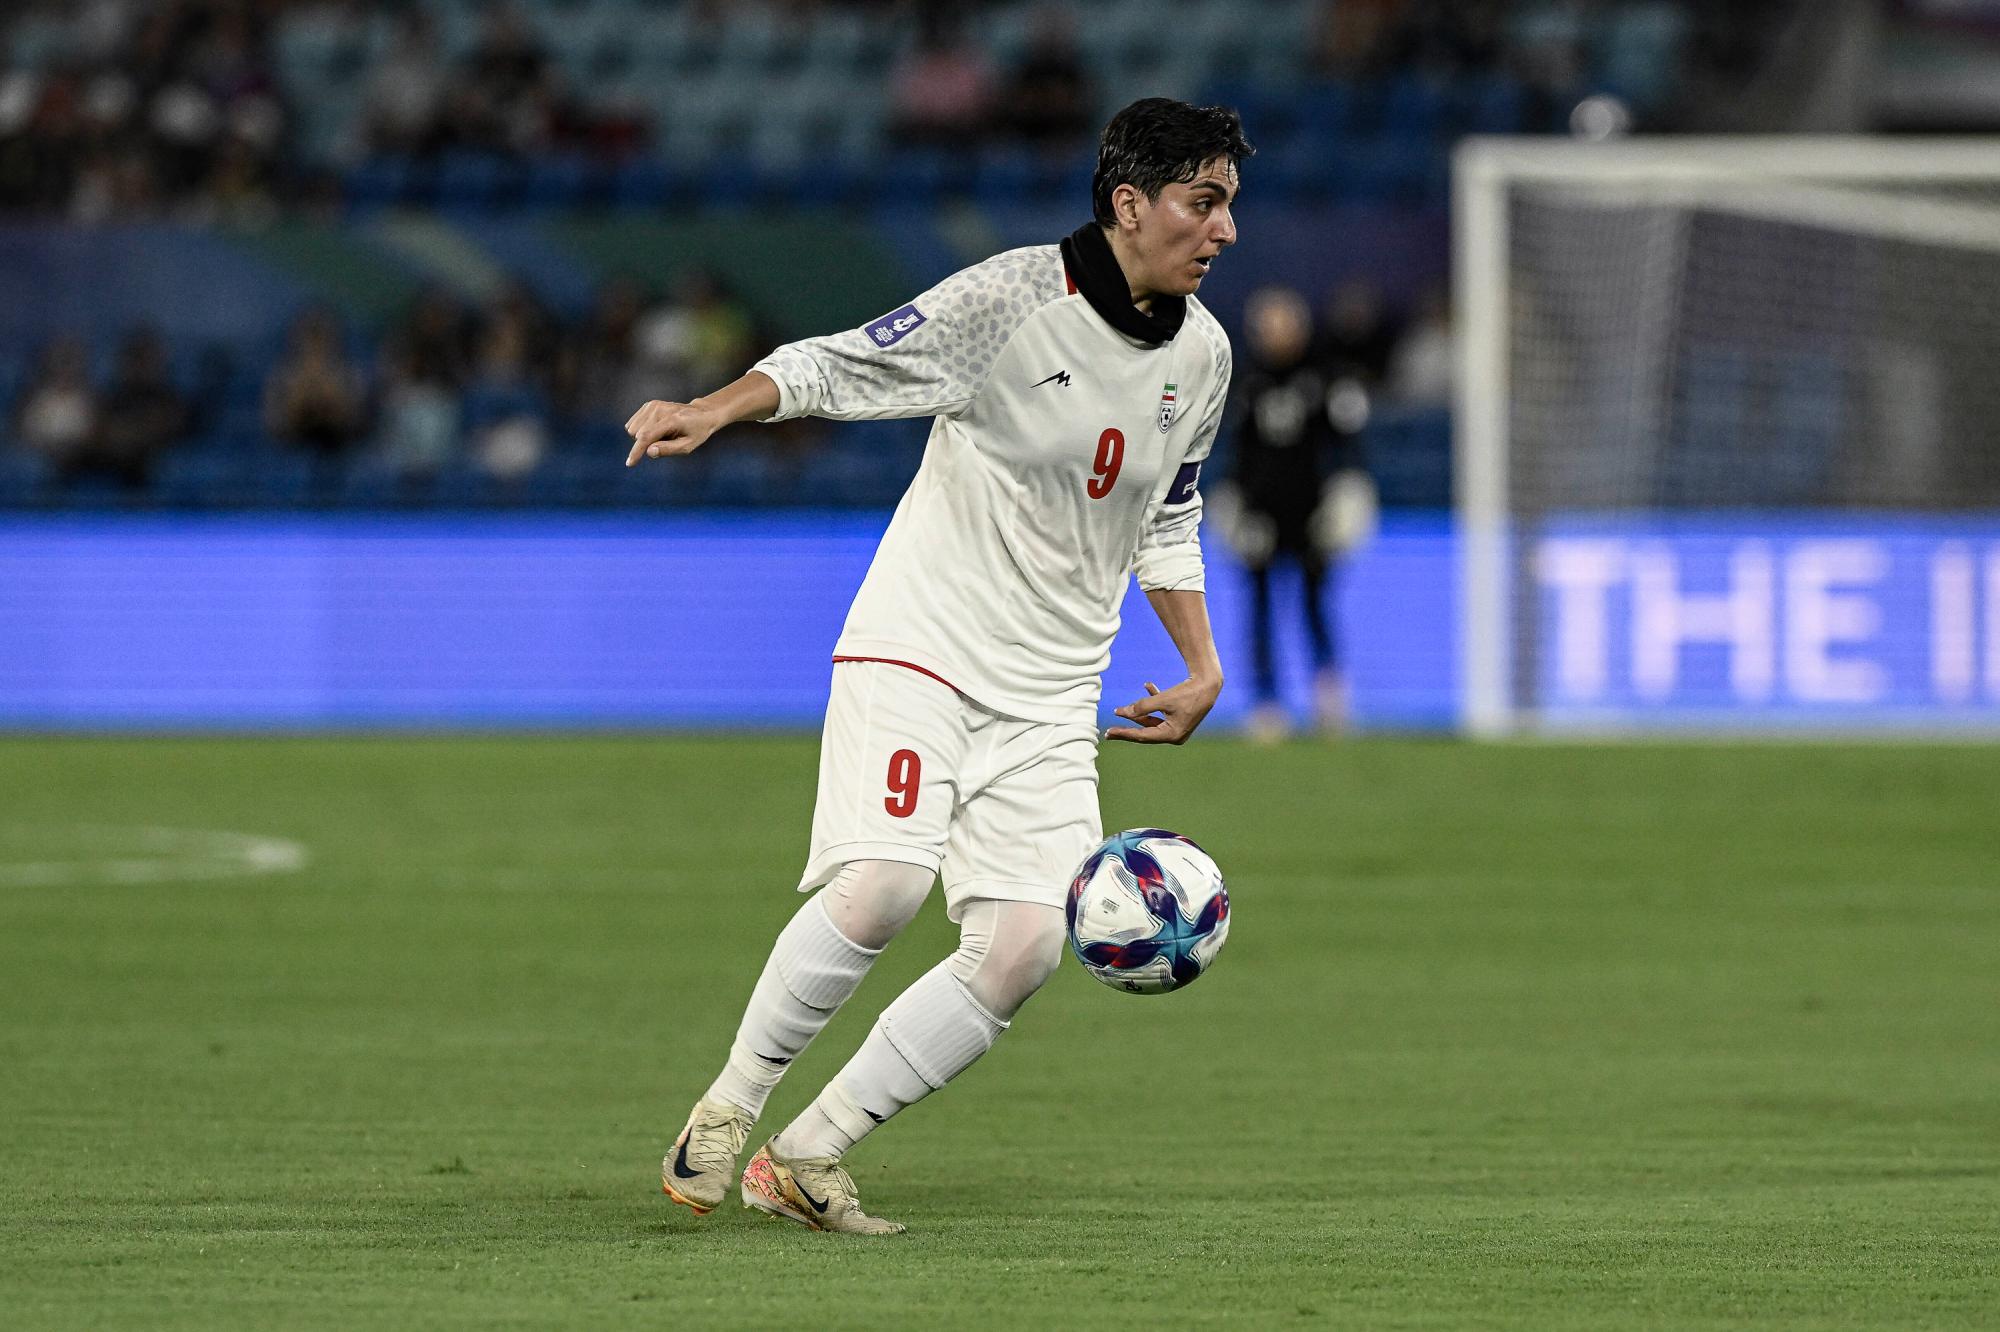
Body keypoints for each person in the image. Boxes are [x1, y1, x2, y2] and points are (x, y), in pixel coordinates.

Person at [624, 97, 1251, 1236]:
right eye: (1200, 202)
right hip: (925, 641)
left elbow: (1167, 513)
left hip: (1054, 688)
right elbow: (842, 365)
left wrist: (1200, 663)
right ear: (1127, 204)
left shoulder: (1202, 355)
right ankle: (727, 1111)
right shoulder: (1011, 300)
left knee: (1019, 950)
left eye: (1227, 207)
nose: (1222, 231)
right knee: (882, 886)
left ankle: (806, 1155)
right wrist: (713, 408)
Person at [1215, 285, 1376, 739]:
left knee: (1315, 605)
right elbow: (1235, 455)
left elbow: (1347, 447)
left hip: (1312, 515)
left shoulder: (1326, 379)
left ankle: (1329, 701)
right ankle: (1267, 706)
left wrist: (1348, 495)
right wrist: (1234, 504)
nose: (1276, 335)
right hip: (1261, 515)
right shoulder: (1246, 382)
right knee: (1260, 610)